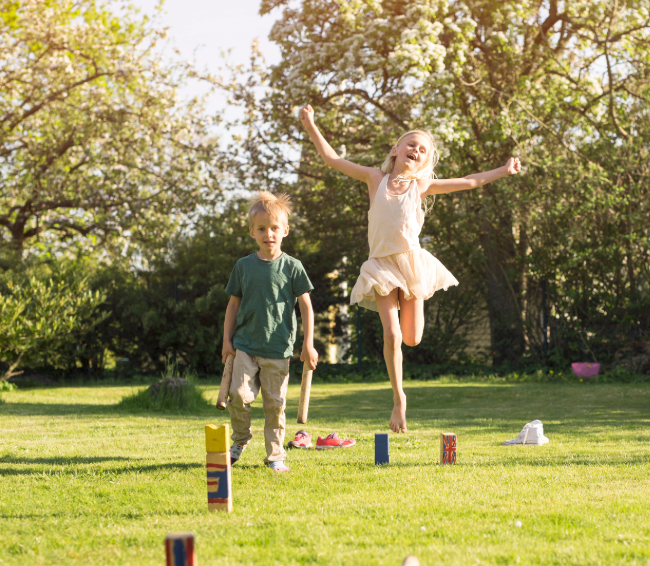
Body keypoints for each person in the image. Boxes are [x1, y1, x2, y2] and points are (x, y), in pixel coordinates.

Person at [298, 104, 522, 433]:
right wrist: (311, 126)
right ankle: (399, 399)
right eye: (411, 144)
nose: (415, 150)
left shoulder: (420, 187)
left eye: (422, 149)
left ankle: (405, 351)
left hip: (412, 264)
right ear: (395, 150)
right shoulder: (375, 179)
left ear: (425, 162)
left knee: (413, 339)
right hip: (381, 266)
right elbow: (333, 160)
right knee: (393, 334)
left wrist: (502, 171)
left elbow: (470, 181)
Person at [222, 191, 319, 472]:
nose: (269, 234)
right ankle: (239, 440)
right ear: (252, 232)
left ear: (285, 231)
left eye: (274, 228)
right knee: (238, 395)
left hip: (278, 350)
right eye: (262, 229)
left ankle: (275, 456)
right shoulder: (243, 267)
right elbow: (232, 306)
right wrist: (227, 342)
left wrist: (308, 344)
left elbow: (306, 308)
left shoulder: (293, 268)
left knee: (274, 406)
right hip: (245, 346)